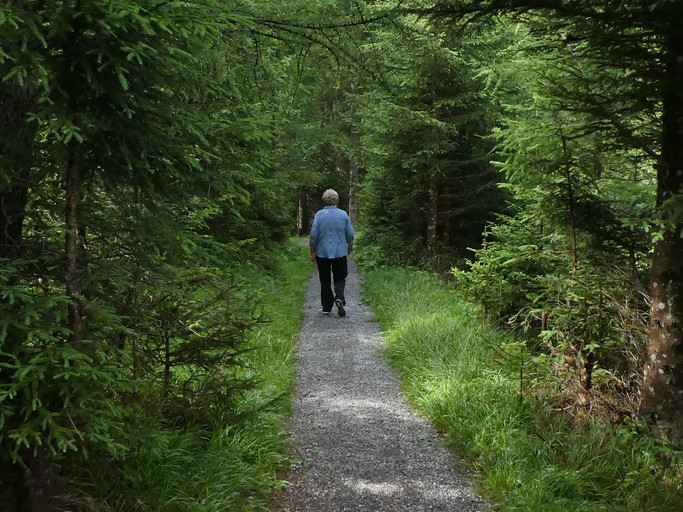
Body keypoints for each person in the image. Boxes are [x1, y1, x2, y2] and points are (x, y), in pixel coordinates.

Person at [309, 189, 355, 317]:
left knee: (324, 278)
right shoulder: (343, 215)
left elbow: (314, 235)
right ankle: (339, 297)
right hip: (339, 252)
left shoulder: (319, 215)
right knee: (340, 277)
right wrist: (350, 245)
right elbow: (350, 234)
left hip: (322, 253)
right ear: (337, 200)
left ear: (324, 200)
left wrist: (312, 249)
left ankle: (327, 306)